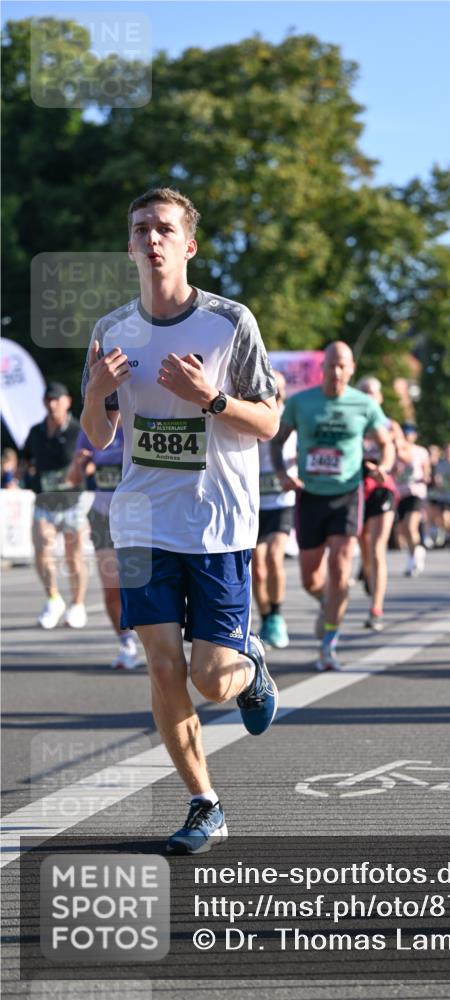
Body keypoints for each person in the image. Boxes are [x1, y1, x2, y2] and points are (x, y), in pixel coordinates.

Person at [81, 186, 279, 855]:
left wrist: (211, 397)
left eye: (165, 228)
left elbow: (269, 421)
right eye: (141, 228)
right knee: (163, 669)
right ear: (129, 244)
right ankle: (205, 803)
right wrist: (98, 394)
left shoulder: (229, 323)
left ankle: (250, 668)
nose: (152, 238)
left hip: (216, 523)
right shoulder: (111, 331)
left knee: (211, 679)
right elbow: (98, 434)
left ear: (188, 245)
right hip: (140, 521)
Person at [270, 342, 393, 670]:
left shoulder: (364, 404)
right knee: (311, 577)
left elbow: (386, 442)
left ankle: (329, 642)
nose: (337, 372)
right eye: (331, 365)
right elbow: (277, 440)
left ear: (351, 369)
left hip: (346, 495)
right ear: (322, 368)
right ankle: (326, 600)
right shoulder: (300, 403)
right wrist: (282, 473)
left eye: (343, 366)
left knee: (340, 567)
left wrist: (384, 466)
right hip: (310, 495)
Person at [68, 424, 140, 669]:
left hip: (139, 514)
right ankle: (127, 643)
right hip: (103, 515)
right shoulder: (92, 425)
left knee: (143, 585)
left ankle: (159, 642)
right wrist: (80, 463)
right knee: (112, 589)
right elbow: (74, 479)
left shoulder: (141, 415)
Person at [22, 382, 89, 629]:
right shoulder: (36, 432)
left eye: (56, 400)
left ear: (67, 402)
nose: (52, 405)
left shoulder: (77, 431)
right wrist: (28, 477)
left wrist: (82, 470)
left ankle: (78, 605)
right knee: (41, 551)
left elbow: (91, 459)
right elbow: (26, 459)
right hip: (45, 501)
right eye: (48, 400)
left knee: (74, 557)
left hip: (72, 502)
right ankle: (53, 598)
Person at [252, 370, 295, 648]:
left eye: (278, 392)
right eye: (269, 391)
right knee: (257, 566)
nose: (274, 397)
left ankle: (277, 616)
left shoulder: (292, 420)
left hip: (281, 501)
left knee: (274, 557)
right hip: (255, 502)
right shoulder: (253, 416)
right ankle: (266, 617)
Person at [356, 376, 397, 631]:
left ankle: (376, 609)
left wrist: (384, 465)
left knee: (377, 547)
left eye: (373, 392)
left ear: (380, 397)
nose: (369, 396)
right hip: (356, 487)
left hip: (382, 488)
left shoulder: (389, 424)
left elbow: (399, 451)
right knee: (365, 548)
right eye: (364, 392)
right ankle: (367, 570)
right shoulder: (352, 420)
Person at [394, 423, 431, 577]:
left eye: (410, 433)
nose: (408, 436)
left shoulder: (420, 452)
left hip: (416, 492)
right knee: (403, 530)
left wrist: (425, 477)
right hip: (399, 493)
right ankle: (413, 555)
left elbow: (427, 472)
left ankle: (416, 556)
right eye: (405, 433)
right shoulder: (396, 451)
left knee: (411, 525)